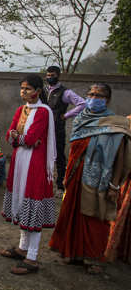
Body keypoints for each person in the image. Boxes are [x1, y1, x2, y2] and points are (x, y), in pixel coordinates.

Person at [50, 83, 131, 273]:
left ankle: (94, 258)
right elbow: (73, 151)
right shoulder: (81, 119)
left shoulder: (115, 124)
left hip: (100, 180)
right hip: (76, 177)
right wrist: (66, 175)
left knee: (96, 217)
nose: (94, 98)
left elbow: (120, 157)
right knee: (73, 215)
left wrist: (114, 185)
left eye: (99, 95)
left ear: (107, 100)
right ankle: (73, 252)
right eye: (91, 94)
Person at [0, 74, 56, 275]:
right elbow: (10, 134)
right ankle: (22, 248)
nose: (23, 92)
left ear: (38, 91)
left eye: (28, 89)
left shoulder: (43, 112)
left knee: (33, 206)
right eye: (22, 88)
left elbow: (31, 138)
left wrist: (20, 138)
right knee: (24, 204)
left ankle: (32, 257)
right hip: (20, 162)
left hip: (34, 165)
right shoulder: (21, 109)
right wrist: (19, 138)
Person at [44, 65, 86, 190]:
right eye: (48, 75)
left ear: (58, 76)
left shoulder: (65, 92)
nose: (50, 78)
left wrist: (66, 115)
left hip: (57, 129)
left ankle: (60, 184)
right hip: (44, 127)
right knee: (43, 154)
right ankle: (45, 181)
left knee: (59, 156)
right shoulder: (44, 90)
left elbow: (82, 104)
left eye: (52, 75)